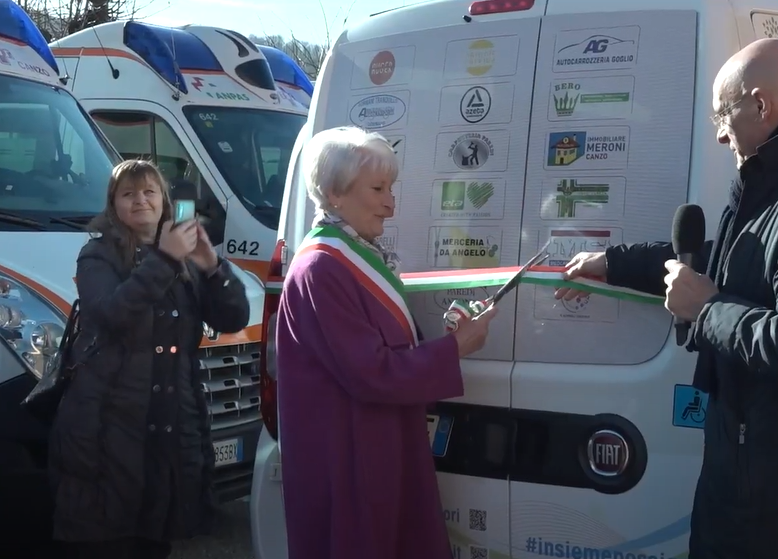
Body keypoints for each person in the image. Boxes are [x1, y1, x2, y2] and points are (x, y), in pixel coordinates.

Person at [556, 38, 778, 559]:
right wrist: (614, 263)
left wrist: (707, 309)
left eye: (723, 114)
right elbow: (731, 262)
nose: (719, 133)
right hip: (756, 499)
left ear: (760, 105)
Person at [276, 126, 498, 559]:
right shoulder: (322, 267)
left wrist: (447, 338)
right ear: (334, 194)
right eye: (378, 189)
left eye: (390, 189)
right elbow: (372, 372)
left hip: (375, 447)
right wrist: (455, 348)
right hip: (351, 459)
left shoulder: (348, 257)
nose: (391, 204)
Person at [49, 159, 251, 559]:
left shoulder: (185, 258)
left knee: (156, 537)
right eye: (128, 194)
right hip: (108, 427)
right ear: (114, 205)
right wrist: (166, 260)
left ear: (164, 202)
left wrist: (213, 267)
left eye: (149, 192)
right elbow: (111, 315)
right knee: (109, 538)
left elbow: (233, 318)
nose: (140, 200)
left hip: (168, 426)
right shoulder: (97, 256)